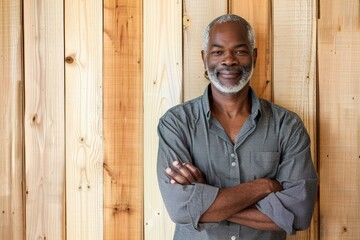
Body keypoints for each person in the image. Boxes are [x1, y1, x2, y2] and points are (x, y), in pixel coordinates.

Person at [157, 14, 318, 240]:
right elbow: (180, 209)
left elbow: (298, 215)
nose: (229, 60)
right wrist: (262, 187)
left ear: (254, 56)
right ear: (204, 58)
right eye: (218, 52)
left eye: (240, 51)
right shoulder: (177, 123)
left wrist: (205, 201)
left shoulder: (288, 126)